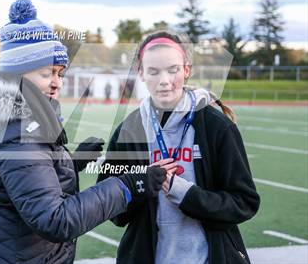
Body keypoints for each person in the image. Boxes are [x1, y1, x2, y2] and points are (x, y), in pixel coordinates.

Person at [0, 0, 168, 264]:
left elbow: (21, 184)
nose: (57, 83)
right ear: (19, 72)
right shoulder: (16, 128)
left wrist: (71, 163)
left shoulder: (13, 118)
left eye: (60, 73)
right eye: (48, 73)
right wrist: (128, 185)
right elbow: (56, 220)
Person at [98, 30, 260, 264]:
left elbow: (244, 202)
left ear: (186, 70)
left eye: (172, 70)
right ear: (141, 73)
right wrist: (140, 184)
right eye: (153, 71)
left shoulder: (217, 127)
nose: (164, 81)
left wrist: (186, 194)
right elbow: (112, 210)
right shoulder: (129, 130)